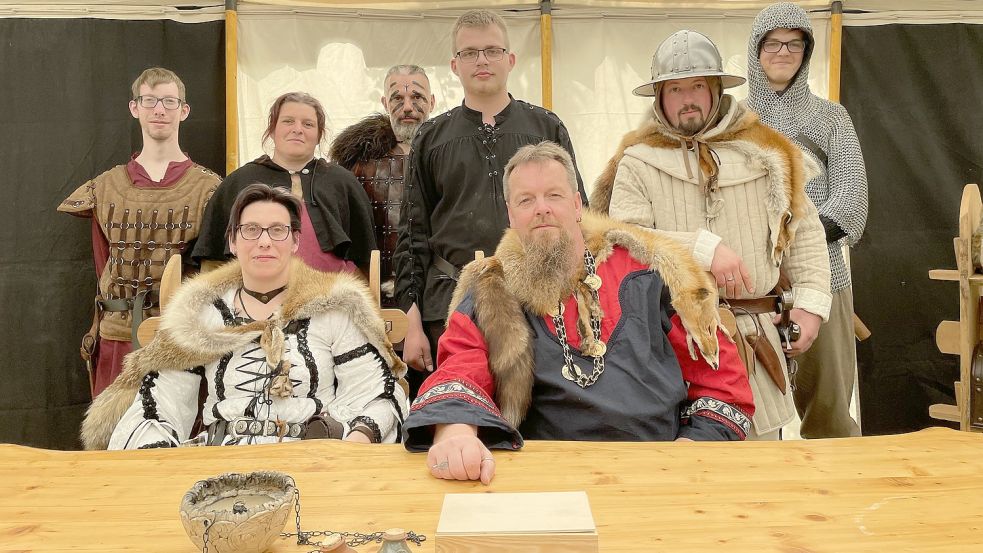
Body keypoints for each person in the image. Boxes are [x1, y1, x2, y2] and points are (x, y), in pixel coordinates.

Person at [404, 142, 754, 483]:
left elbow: (723, 384)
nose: (541, 209)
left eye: (553, 195)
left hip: (659, 469)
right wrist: (455, 433)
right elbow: (460, 366)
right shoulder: (492, 287)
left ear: (576, 205)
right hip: (545, 477)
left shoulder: (648, 273)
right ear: (510, 214)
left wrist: (689, 451)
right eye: (526, 200)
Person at [592, 30, 831, 440]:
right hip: (673, 341)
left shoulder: (767, 151)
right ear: (659, 96)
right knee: (685, 458)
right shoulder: (636, 162)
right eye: (675, 89)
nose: (687, 99)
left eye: (698, 86)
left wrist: (810, 305)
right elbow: (627, 238)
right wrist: (703, 249)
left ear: (717, 89)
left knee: (759, 466)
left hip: (754, 337)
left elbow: (804, 230)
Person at [81, 184, 408, 450]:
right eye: (251, 230)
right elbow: (160, 402)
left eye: (277, 230)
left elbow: (373, 390)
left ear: (295, 241)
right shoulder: (202, 314)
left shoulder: (333, 308)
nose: (264, 241)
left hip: (313, 458)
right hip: (223, 459)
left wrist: (354, 440)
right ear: (233, 242)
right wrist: (160, 456)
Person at [394, 9, 587, 380]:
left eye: (492, 51)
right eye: (470, 52)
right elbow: (413, 236)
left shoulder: (545, 126)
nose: (481, 60)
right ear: (455, 65)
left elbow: (578, 220)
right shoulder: (431, 138)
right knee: (459, 402)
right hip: (450, 302)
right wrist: (412, 320)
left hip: (540, 301)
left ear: (510, 59)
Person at [58, 67, 220, 397]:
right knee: (114, 427)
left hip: (182, 335)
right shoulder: (106, 188)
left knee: (182, 424)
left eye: (169, 101)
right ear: (135, 107)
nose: (159, 109)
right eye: (150, 100)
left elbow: (215, 275)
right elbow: (103, 265)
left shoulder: (210, 189)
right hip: (117, 335)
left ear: (184, 110)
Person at [746, 2, 867, 438]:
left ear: (807, 50)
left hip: (823, 276)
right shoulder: (735, 121)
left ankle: (838, 482)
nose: (783, 52)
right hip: (753, 287)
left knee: (829, 413)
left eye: (794, 43)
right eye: (773, 43)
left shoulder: (831, 117)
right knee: (753, 413)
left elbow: (851, 201)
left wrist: (794, 245)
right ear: (756, 50)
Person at [193, 92, 375, 274]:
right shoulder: (239, 181)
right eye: (288, 121)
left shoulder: (343, 182)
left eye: (308, 124)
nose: (297, 129)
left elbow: (365, 262)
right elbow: (212, 261)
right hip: (253, 290)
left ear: (319, 135)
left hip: (330, 290)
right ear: (272, 130)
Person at [330, 65, 436, 308]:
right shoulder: (357, 162)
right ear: (385, 102)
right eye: (397, 98)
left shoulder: (449, 156)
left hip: (435, 292)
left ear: (431, 102)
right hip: (373, 293)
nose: (407, 107)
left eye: (417, 97)